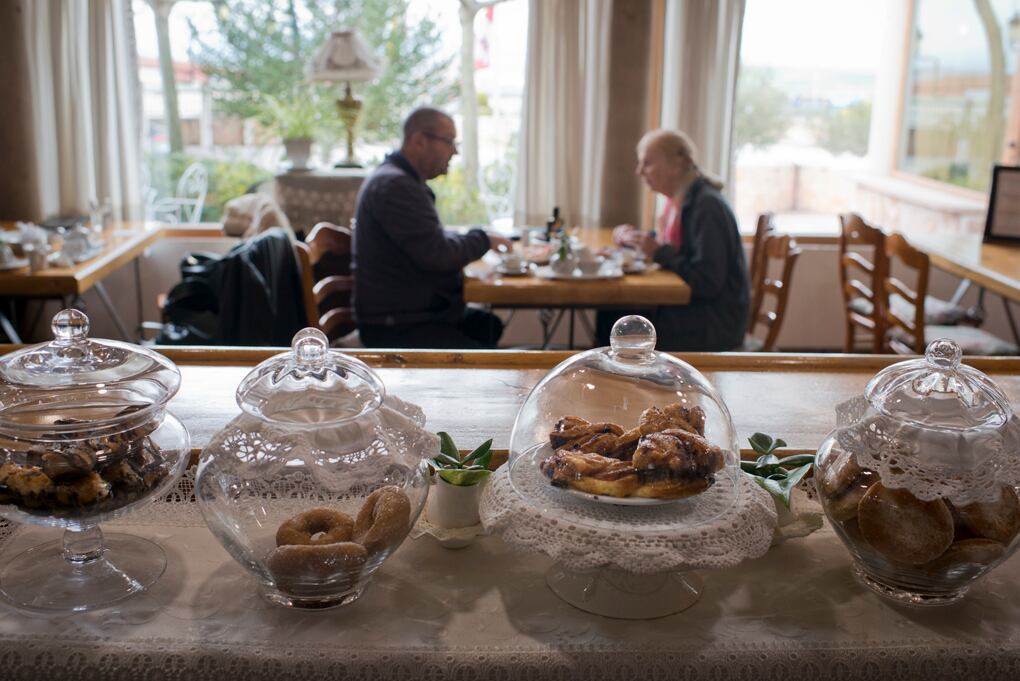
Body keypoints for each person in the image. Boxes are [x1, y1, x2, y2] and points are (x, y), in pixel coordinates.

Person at [353, 108, 512, 348]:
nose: (455, 151)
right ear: (418, 141)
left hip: (405, 312)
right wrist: (484, 239)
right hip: (396, 325)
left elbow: (429, 242)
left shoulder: (398, 181)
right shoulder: (396, 187)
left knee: (488, 326)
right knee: (488, 354)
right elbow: (439, 255)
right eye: (449, 141)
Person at [598, 129, 749, 351]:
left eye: (647, 163)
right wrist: (636, 241)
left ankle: (622, 381)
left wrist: (658, 252)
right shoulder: (684, 201)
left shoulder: (707, 207)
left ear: (676, 165)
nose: (639, 171)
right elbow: (679, 250)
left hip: (713, 323)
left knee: (614, 320)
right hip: (698, 312)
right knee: (612, 314)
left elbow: (707, 280)